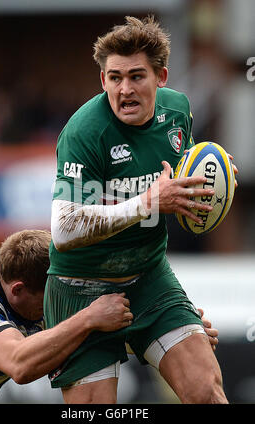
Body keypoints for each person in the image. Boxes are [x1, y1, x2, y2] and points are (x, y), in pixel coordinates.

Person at [44, 15, 236, 404]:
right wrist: (148, 202)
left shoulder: (178, 112)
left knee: (206, 391)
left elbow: (181, 173)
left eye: (136, 76)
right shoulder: (84, 132)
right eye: (114, 78)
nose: (125, 89)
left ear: (161, 77)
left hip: (150, 280)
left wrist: (214, 177)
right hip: (81, 288)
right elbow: (63, 230)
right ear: (103, 81)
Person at [0, 229, 134, 404]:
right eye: (48, 299)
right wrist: (88, 318)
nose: (54, 305)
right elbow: (19, 364)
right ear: (17, 289)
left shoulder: (30, 287)